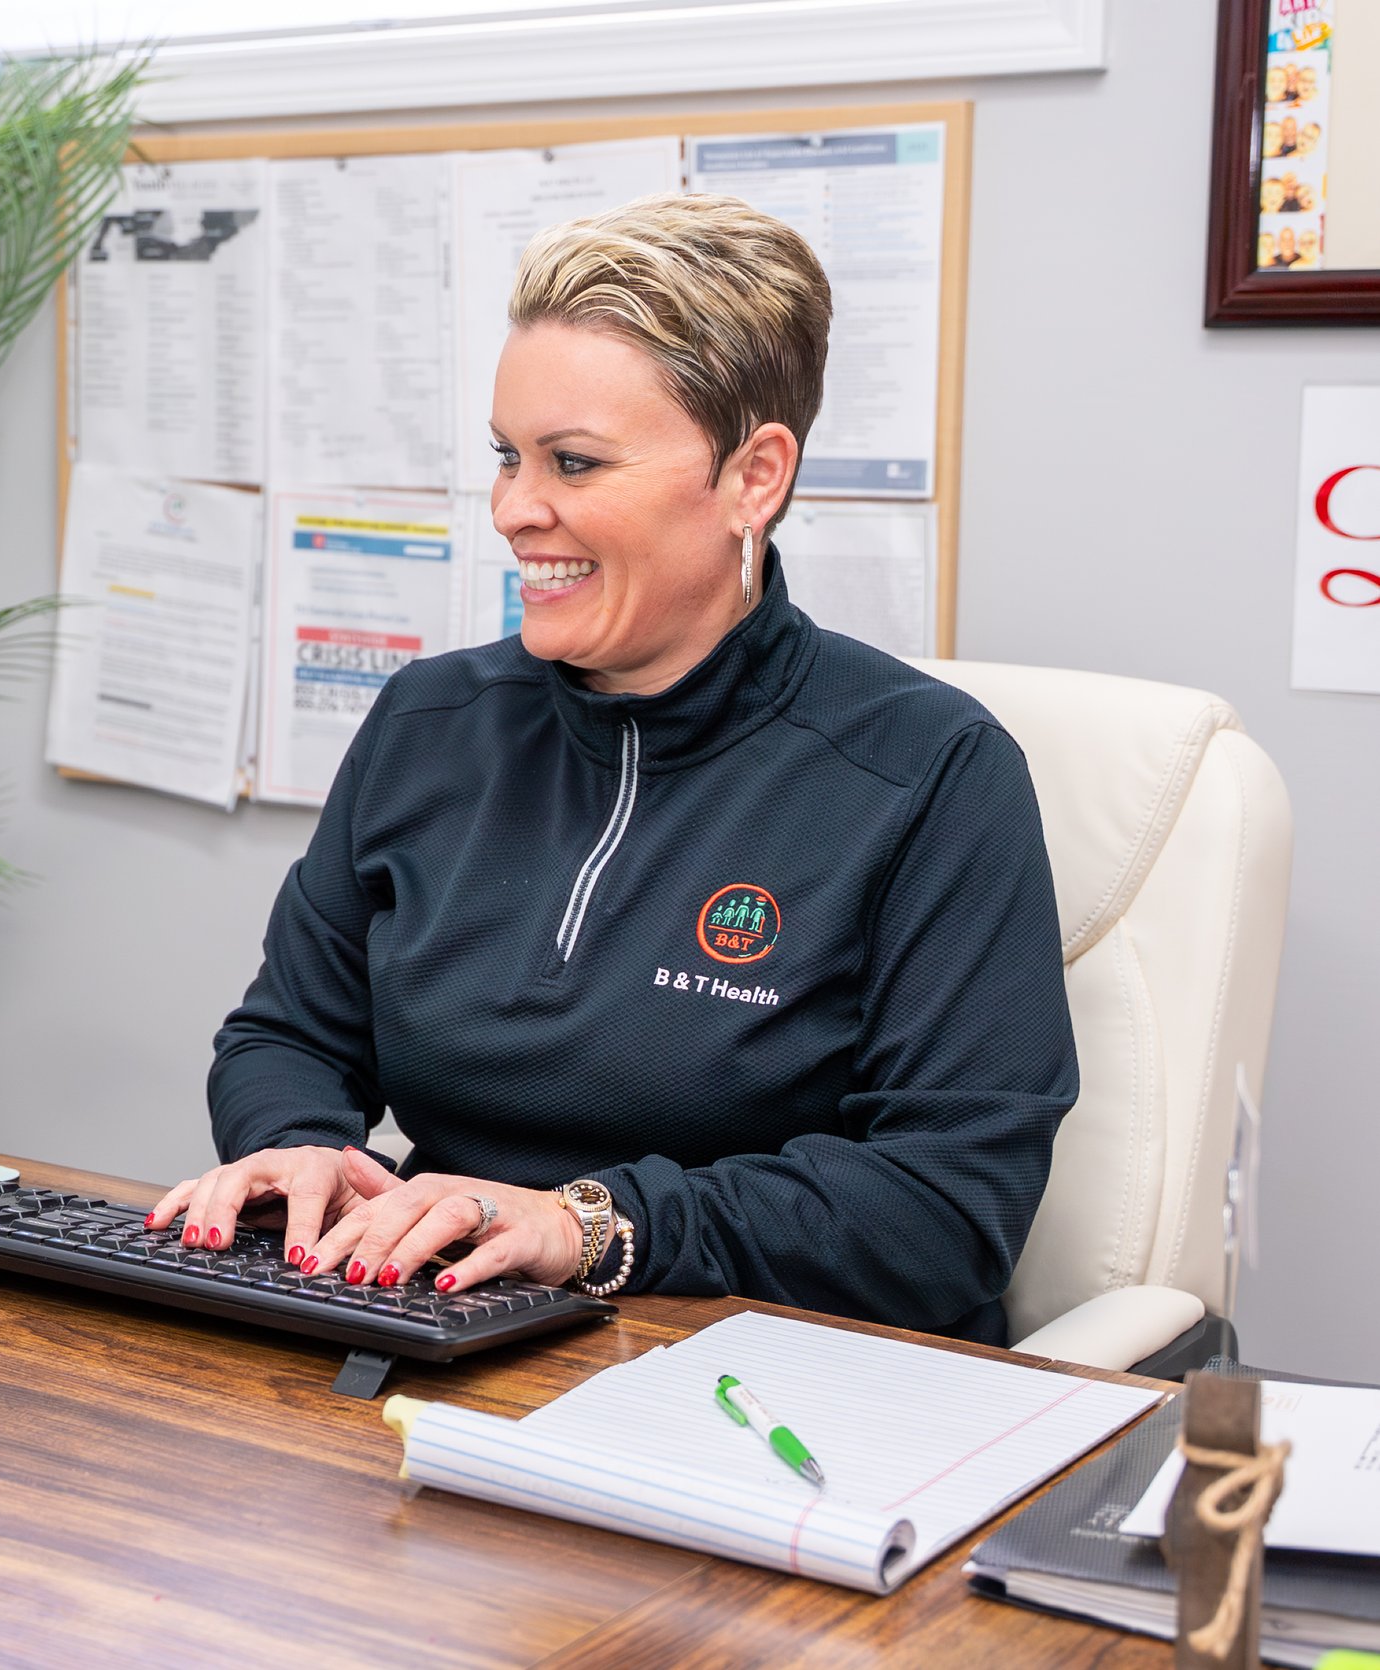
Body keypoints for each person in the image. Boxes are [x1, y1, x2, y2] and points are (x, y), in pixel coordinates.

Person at [154, 193, 1077, 1345]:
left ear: (754, 477)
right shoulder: (429, 721)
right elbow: (286, 1031)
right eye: (506, 456)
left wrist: (588, 1224)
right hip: (440, 1338)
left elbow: (946, 1207)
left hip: (774, 1389)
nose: (511, 508)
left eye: (573, 462)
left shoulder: (931, 772)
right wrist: (295, 1145)